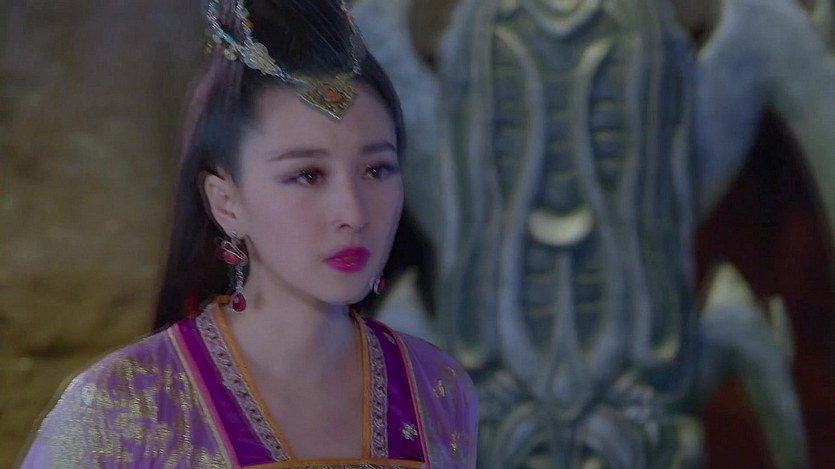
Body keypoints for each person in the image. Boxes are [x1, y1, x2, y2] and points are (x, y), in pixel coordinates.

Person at [18, 1, 478, 467]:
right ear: (226, 203)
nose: (354, 212)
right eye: (308, 175)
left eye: (376, 169)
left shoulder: (437, 388)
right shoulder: (121, 406)